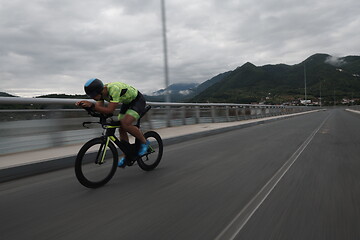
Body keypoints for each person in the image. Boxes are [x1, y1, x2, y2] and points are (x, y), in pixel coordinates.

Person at [76, 78, 149, 168]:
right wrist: (87, 107)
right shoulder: (100, 95)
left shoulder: (114, 89)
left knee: (125, 123)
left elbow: (110, 110)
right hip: (127, 103)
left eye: (93, 95)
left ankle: (144, 142)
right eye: (90, 96)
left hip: (137, 101)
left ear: (99, 91)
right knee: (121, 126)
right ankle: (128, 155)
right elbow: (101, 110)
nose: (92, 98)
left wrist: (92, 105)